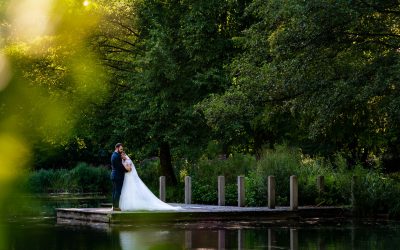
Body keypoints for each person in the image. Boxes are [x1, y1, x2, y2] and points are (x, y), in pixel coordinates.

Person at [110, 143, 128, 211]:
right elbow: (120, 167)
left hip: (114, 175)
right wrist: (127, 170)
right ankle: (116, 207)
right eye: (121, 149)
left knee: (114, 191)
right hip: (117, 176)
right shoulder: (116, 156)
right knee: (117, 191)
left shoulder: (114, 155)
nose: (121, 150)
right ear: (117, 148)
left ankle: (114, 206)